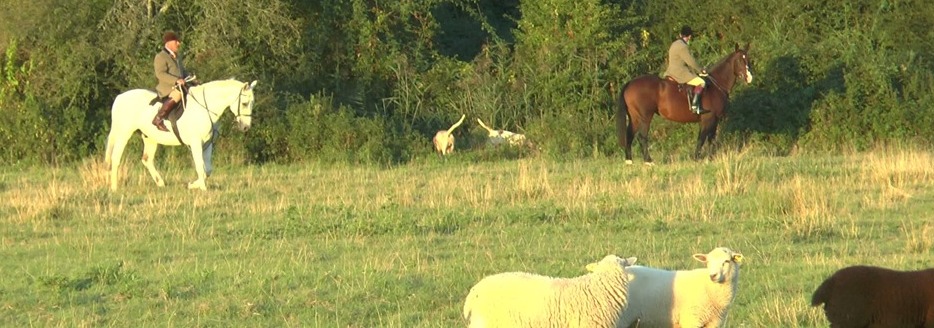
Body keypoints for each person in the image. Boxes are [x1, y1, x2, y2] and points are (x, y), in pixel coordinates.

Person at [665, 25, 707, 114]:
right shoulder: (683, 46)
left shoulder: (674, 43)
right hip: (679, 73)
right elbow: (690, 62)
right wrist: (700, 70)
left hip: (670, 71)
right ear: (689, 36)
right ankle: (695, 106)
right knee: (701, 82)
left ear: (680, 34)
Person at [152, 31, 188, 131]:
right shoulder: (161, 57)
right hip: (167, 89)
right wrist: (176, 80)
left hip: (179, 85)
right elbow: (160, 74)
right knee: (179, 93)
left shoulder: (177, 57)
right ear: (168, 42)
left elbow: (183, 71)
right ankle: (158, 118)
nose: (179, 43)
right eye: (176, 41)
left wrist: (191, 78)